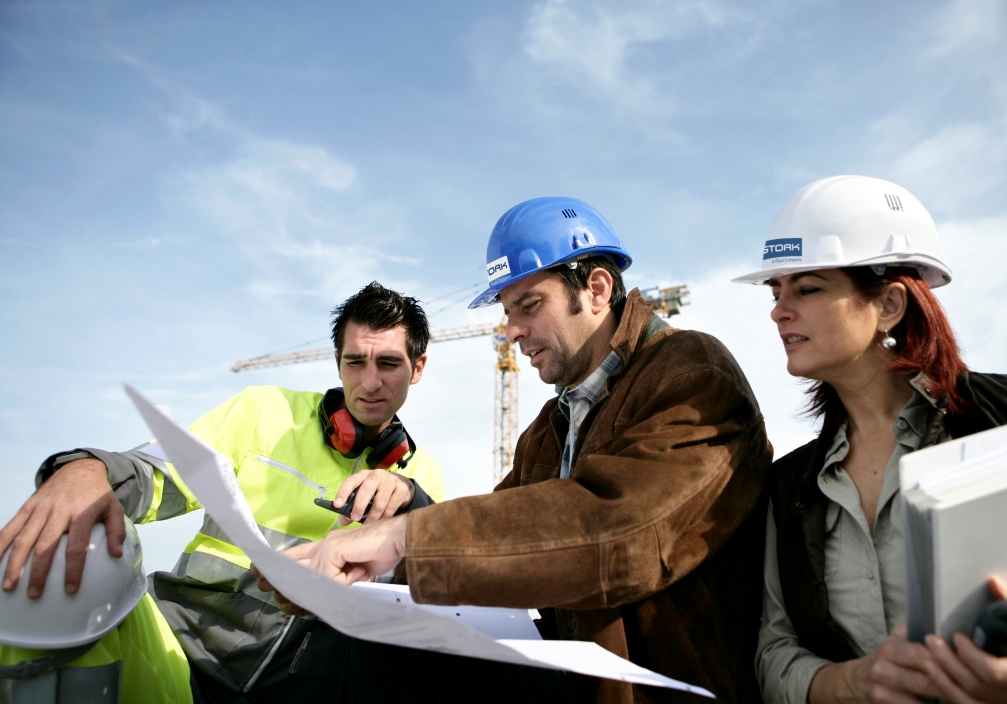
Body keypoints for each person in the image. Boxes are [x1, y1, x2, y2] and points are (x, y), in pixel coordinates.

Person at [259, 196, 773, 703]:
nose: (512, 332)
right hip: (565, 679)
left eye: (529, 306)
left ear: (596, 288)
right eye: (507, 312)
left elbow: (619, 530)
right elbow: (501, 543)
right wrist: (370, 567)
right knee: (386, 636)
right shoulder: (548, 429)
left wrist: (402, 537)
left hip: (653, 690)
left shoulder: (690, 372)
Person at [0, 282, 446, 704]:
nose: (370, 382)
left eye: (388, 364)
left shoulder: (424, 479)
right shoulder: (263, 411)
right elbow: (161, 472)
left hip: (305, 690)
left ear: (418, 367)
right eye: (355, 362)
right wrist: (89, 467)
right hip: (180, 657)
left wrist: (413, 504)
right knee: (61, 556)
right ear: (336, 361)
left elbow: (432, 602)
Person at [732, 175, 1007, 704]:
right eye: (776, 291)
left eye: (807, 288)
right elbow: (774, 655)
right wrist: (857, 681)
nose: (778, 309)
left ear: (889, 305)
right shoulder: (789, 487)